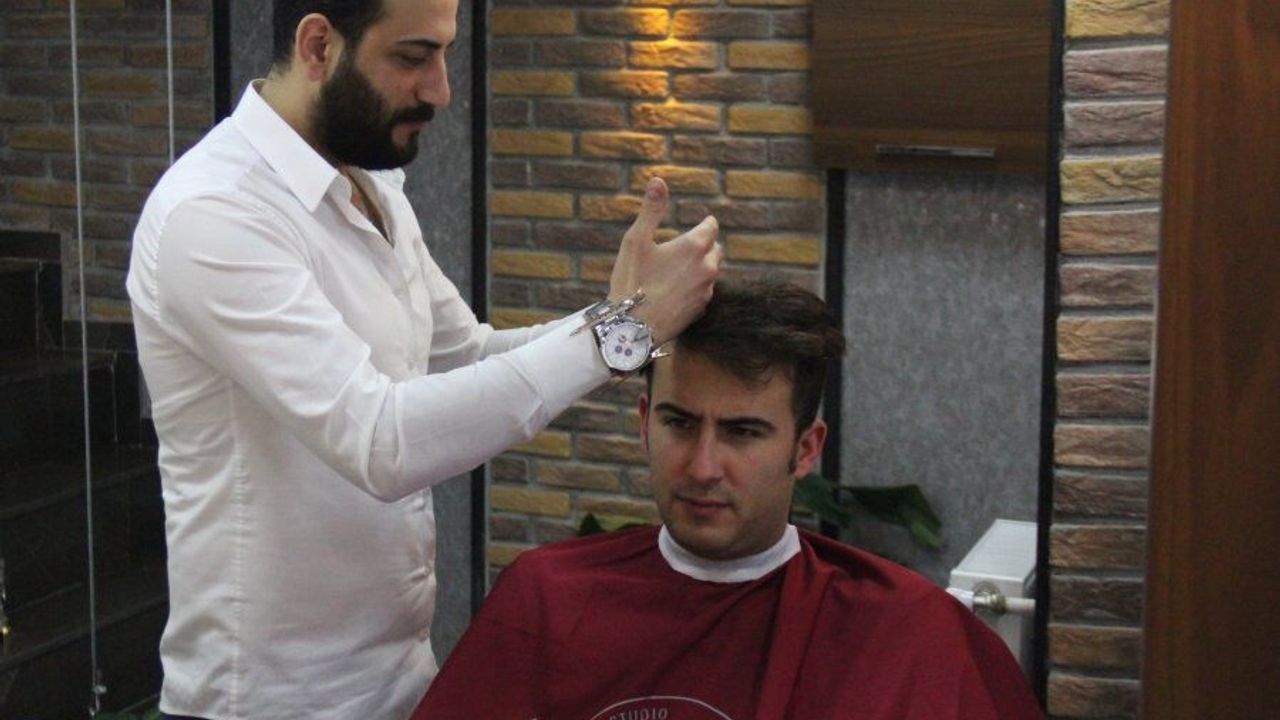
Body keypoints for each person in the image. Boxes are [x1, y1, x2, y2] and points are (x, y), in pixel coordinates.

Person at [125, 0, 721, 717]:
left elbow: (464, 355)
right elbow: (381, 440)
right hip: (269, 701)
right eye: (412, 57)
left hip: (400, 679)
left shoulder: (371, 187)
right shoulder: (214, 212)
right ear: (318, 47)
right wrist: (622, 334)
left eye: (444, 54)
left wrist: (617, 316)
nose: (440, 90)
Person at [412, 279, 1044, 720]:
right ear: (644, 423)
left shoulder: (908, 633)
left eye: (743, 433)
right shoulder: (549, 598)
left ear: (806, 448)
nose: (703, 467)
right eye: (680, 424)